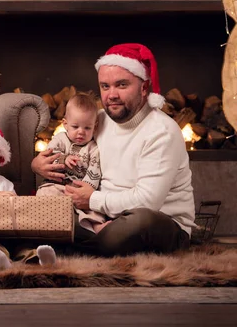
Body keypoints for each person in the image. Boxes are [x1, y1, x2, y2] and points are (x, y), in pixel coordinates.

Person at [32, 43, 196, 257]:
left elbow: (147, 201)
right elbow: (63, 143)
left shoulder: (161, 131)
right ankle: (71, 243)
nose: (111, 95)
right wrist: (37, 164)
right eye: (105, 86)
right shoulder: (97, 120)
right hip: (99, 215)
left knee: (140, 222)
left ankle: (62, 247)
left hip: (157, 222)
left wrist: (92, 200)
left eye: (121, 85)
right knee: (46, 204)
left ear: (144, 87)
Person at [36, 92, 106, 234]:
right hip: (57, 185)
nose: (81, 132)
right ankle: (50, 224)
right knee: (45, 193)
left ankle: (95, 226)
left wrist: (87, 188)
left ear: (95, 126)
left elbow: (94, 171)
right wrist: (63, 159)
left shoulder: (93, 148)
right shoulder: (60, 139)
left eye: (87, 128)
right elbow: (48, 155)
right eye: (75, 127)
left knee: (94, 206)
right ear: (65, 124)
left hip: (80, 191)